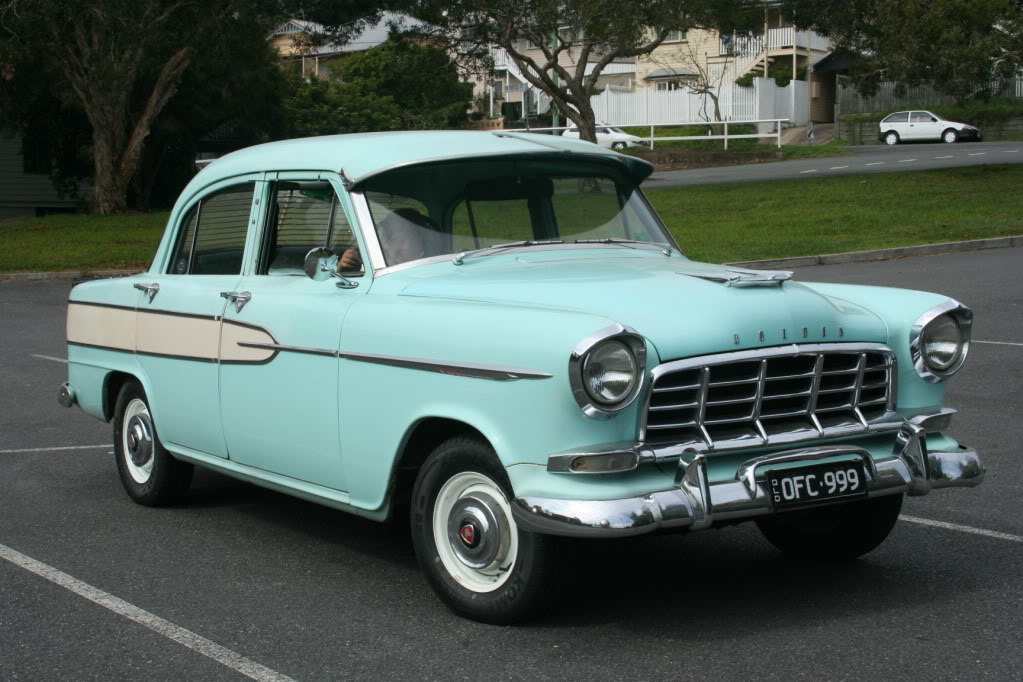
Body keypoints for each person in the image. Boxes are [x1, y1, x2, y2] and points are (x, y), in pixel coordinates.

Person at [337, 207, 433, 272]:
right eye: (388, 240)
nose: (389, 247)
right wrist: (343, 269)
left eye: (399, 238)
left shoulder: (436, 267)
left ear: (420, 238)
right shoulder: (378, 267)